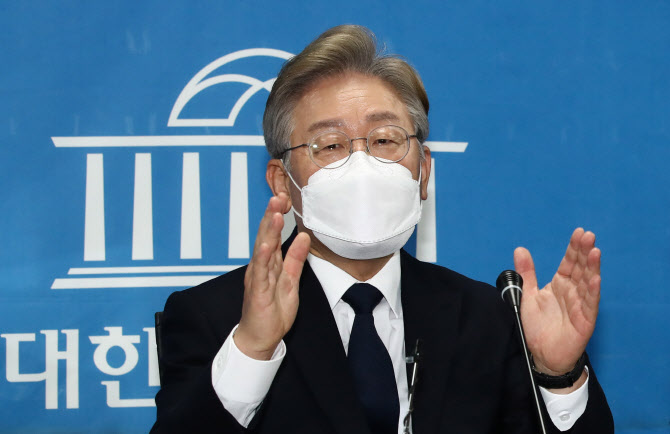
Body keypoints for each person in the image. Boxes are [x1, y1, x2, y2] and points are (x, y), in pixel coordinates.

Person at [151, 25, 613, 433]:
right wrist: (253, 349)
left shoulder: (486, 318)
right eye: (330, 145)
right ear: (281, 182)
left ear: (424, 171)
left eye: (385, 139)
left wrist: (557, 374)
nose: (362, 164)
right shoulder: (214, 318)